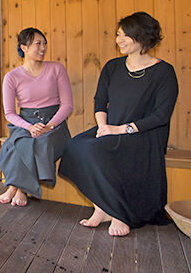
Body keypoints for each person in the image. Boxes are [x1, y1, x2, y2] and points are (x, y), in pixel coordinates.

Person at [59, 12, 178, 236]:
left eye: (125, 36)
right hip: (110, 126)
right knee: (76, 146)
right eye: (117, 35)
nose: (119, 40)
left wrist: (120, 130)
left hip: (144, 134)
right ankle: (101, 207)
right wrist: (103, 127)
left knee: (95, 149)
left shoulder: (164, 72)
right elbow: (100, 101)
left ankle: (118, 213)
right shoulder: (112, 67)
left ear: (142, 37)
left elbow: (161, 115)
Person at [0, 28, 73, 206]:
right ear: (24, 47)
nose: (43, 47)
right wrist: (29, 127)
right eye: (38, 43)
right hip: (25, 123)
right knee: (19, 142)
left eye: (44, 43)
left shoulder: (56, 69)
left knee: (41, 142)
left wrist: (50, 125)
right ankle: (17, 188)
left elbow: (68, 105)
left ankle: (18, 188)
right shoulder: (11, 77)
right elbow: (9, 113)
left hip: (54, 123)